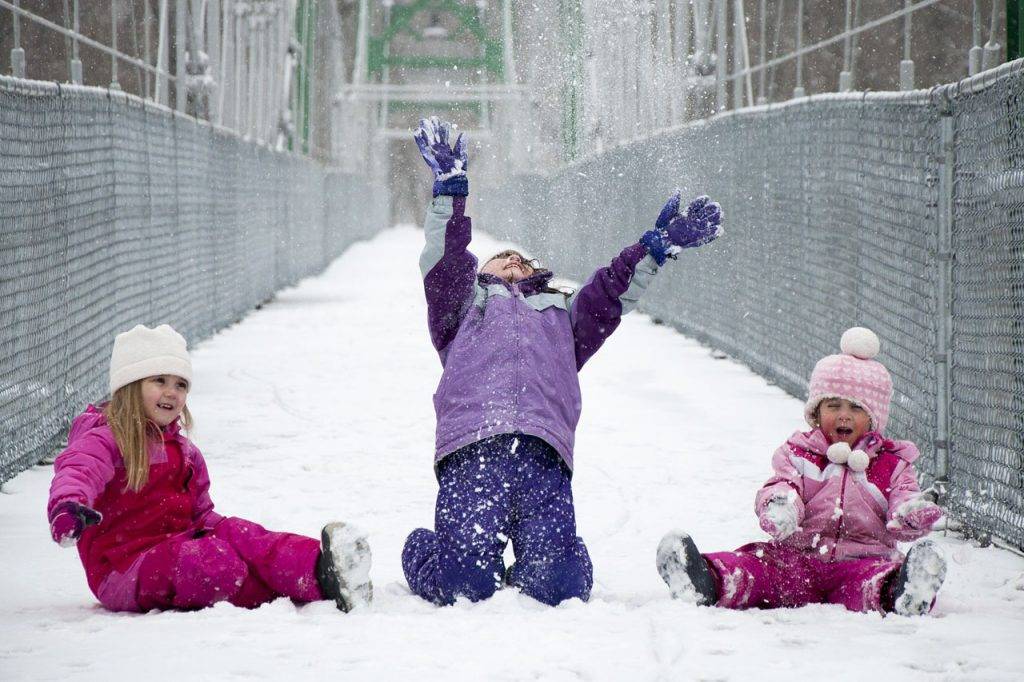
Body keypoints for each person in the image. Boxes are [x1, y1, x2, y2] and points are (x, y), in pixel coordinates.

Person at [402, 117, 723, 606]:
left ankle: (546, 562)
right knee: (464, 584)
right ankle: (426, 550)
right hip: (473, 449)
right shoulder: (461, 309)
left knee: (560, 587)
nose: (514, 262)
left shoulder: (562, 316)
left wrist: (653, 250)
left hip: (543, 454)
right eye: (502, 258)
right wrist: (450, 190)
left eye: (523, 260)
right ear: (481, 272)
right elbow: (445, 258)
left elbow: (611, 292)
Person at [46, 324, 372, 613]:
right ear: (130, 385)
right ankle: (294, 587)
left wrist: (234, 535)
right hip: (124, 569)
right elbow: (78, 470)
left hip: (177, 545)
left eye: (180, 385)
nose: (172, 392)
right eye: (159, 380)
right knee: (213, 562)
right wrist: (68, 507)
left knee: (244, 536)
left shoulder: (185, 452)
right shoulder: (105, 439)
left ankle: (321, 569)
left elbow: (200, 514)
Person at [656, 327, 947, 616]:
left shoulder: (892, 464)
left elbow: (903, 500)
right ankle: (705, 579)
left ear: (873, 419)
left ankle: (903, 592)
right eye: (833, 405)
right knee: (759, 568)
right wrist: (780, 505)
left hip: (862, 560)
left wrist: (910, 514)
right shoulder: (799, 453)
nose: (843, 415)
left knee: (871, 583)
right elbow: (783, 484)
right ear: (817, 412)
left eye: (856, 408)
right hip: (797, 559)